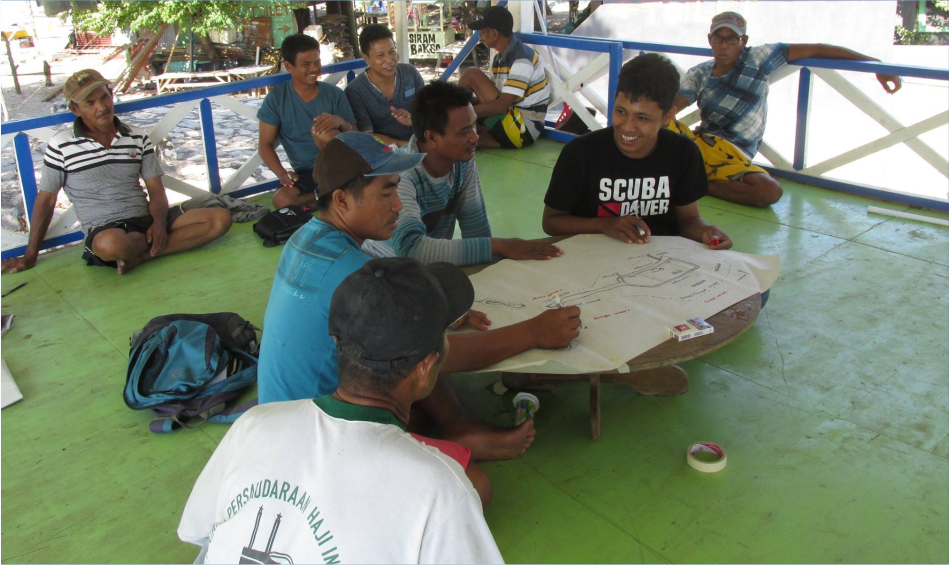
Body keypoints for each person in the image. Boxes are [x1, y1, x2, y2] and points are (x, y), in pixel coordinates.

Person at [258, 132, 582, 462]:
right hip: (312, 437)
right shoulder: (353, 275)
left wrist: (431, 311)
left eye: (397, 190)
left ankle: (456, 424)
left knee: (412, 338)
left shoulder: (307, 236)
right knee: (471, 479)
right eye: (387, 192)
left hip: (280, 414)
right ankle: (449, 433)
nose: (398, 205)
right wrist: (533, 332)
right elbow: (438, 356)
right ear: (342, 200)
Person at [178, 257, 504, 564]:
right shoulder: (439, 486)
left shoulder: (254, 424)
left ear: (337, 343)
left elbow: (197, 531)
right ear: (425, 367)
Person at [0, 69, 231, 275]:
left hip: (146, 219)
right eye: (90, 103)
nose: (101, 107)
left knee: (220, 219)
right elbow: (46, 200)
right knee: (110, 245)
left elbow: (156, 191)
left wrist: (159, 223)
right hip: (106, 230)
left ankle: (141, 256)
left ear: (111, 94)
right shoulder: (61, 145)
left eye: (104, 97)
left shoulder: (136, 136)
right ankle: (152, 247)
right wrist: (30, 255)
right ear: (75, 109)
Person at [673, 11, 902, 207]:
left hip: (734, 156)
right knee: (661, 124)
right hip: (699, 144)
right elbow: (672, 108)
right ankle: (687, 176)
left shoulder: (758, 58)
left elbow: (817, 49)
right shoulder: (700, 72)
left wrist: (875, 64)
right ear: (710, 39)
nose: (724, 45)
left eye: (732, 39)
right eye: (718, 38)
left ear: (743, 41)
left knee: (769, 192)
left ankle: (695, 182)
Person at [365, 81, 564, 265]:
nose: (475, 137)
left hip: (428, 268)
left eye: (474, 125)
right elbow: (411, 250)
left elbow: (476, 228)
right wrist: (500, 246)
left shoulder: (461, 160)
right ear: (432, 138)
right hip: (386, 269)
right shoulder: (400, 175)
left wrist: (496, 262)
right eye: (463, 131)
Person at [258, 33, 357, 209]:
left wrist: (341, 122)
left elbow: (357, 137)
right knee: (282, 200)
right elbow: (265, 144)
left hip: (342, 167)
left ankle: (338, 192)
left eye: (317, 62)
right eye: (306, 64)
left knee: (323, 131)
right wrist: (282, 173)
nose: (314, 68)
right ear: (289, 66)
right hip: (307, 173)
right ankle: (335, 196)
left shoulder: (333, 94)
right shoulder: (277, 97)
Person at [458, 6, 551, 149]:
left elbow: (501, 106)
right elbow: (495, 99)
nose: (480, 35)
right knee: (468, 107)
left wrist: (461, 114)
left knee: (472, 75)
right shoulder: (499, 59)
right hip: (513, 123)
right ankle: (486, 139)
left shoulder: (522, 59)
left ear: (494, 33)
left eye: (482, 31)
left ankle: (458, 122)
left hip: (522, 131)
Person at [345, 24, 425, 146]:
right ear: (366, 58)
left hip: (420, 142)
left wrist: (413, 120)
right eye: (380, 55)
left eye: (392, 52)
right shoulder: (355, 91)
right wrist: (405, 146)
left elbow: (429, 114)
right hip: (382, 151)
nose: (389, 60)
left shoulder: (410, 73)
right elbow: (367, 136)